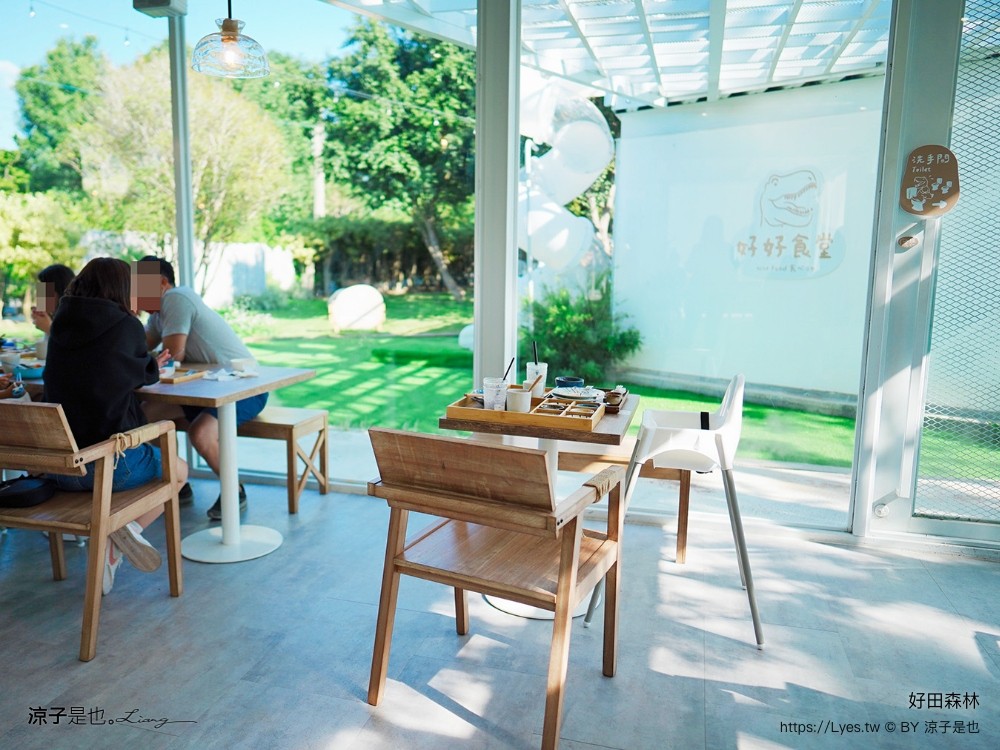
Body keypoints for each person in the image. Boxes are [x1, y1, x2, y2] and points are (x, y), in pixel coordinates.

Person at [43, 257, 189, 594]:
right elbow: (137, 374)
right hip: (110, 468)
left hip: (61, 470)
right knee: (178, 469)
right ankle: (122, 534)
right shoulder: (125, 325)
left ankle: (120, 535)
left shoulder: (60, 325)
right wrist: (150, 364)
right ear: (121, 288)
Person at [136, 256, 266, 521]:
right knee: (144, 415)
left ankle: (235, 490)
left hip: (244, 386)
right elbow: (140, 348)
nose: (136, 294)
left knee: (200, 434)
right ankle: (176, 482)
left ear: (162, 283)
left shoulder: (176, 297)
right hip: (206, 390)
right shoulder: (158, 317)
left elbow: (173, 353)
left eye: (140, 288)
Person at [31, 263, 76, 335]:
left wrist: (49, 329)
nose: (39, 296)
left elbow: (69, 345)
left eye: (44, 290)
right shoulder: (55, 318)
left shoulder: (77, 321)